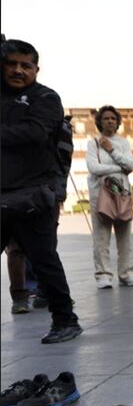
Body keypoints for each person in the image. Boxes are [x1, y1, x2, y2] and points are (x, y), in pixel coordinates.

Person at [0, 38, 82, 343]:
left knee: (44, 259)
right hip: (3, 192)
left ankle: (65, 320)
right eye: (11, 64)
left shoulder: (45, 97)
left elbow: (35, 133)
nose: (18, 71)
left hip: (35, 192)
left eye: (26, 65)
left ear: (36, 69)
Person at [86, 105, 133, 288]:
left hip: (122, 193)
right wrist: (119, 168)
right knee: (101, 237)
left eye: (113, 119)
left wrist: (111, 150)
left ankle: (126, 273)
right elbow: (94, 168)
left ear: (117, 122)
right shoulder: (93, 143)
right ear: (99, 122)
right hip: (100, 194)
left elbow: (131, 165)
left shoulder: (123, 143)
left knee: (125, 236)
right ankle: (103, 275)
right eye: (106, 118)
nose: (110, 121)